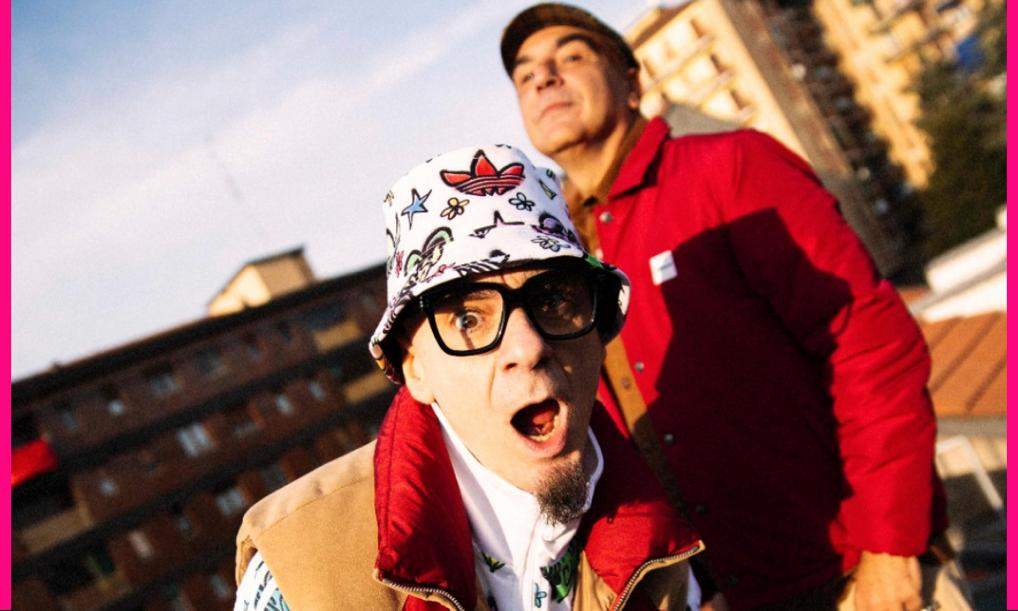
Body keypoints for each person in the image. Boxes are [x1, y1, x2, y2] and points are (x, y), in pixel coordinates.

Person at [499, 4, 969, 611]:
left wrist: (890, 545)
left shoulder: (730, 167)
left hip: (856, 578)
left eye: (570, 57)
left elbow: (868, 346)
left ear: (632, 83)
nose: (543, 77)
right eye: (525, 73)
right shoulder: (560, 258)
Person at [233, 145, 706, 610]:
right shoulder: (300, 576)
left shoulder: (656, 537)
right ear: (415, 368)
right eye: (468, 319)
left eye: (554, 301)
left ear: (599, 332)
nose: (527, 347)